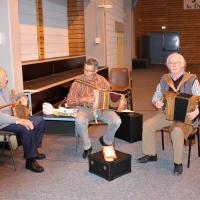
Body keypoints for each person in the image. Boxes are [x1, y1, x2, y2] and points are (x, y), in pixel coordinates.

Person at [137, 52, 200, 175]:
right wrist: (156, 102)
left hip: (185, 117)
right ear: (167, 65)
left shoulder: (192, 80)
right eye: (171, 63)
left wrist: (198, 110)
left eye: (177, 63)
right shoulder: (164, 79)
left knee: (176, 131)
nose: (174, 65)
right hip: (166, 113)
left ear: (183, 65)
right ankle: (150, 154)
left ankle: (178, 163)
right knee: (147, 125)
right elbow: (156, 96)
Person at [65, 58, 122, 158]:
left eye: (89, 71)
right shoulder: (77, 82)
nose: (86, 73)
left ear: (96, 71)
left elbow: (110, 98)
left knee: (117, 121)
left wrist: (119, 103)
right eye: (85, 70)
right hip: (86, 109)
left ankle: (106, 141)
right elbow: (69, 101)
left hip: (102, 109)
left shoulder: (103, 81)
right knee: (79, 120)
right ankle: (87, 147)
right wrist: (83, 99)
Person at [0, 67, 46, 173]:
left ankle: (33, 150)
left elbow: (15, 96)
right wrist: (19, 120)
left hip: (13, 117)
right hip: (3, 123)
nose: (7, 79)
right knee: (25, 127)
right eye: (4, 77)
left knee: (39, 120)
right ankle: (30, 160)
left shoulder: (4, 88)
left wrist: (22, 96)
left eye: (6, 76)